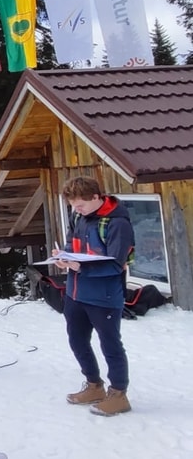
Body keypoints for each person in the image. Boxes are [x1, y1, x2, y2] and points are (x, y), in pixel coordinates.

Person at [54, 176, 135, 416]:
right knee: (76, 340)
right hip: (75, 293)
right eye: (73, 206)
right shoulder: (78, 216)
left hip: (105, 296)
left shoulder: (118, 223)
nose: (76, 210)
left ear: (97, 198)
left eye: (80, 205)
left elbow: (116, 264)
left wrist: (81, 267)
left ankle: (119, 395)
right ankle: (94, 385)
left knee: (110, 345)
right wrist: (63, 256)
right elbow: (72, 243)